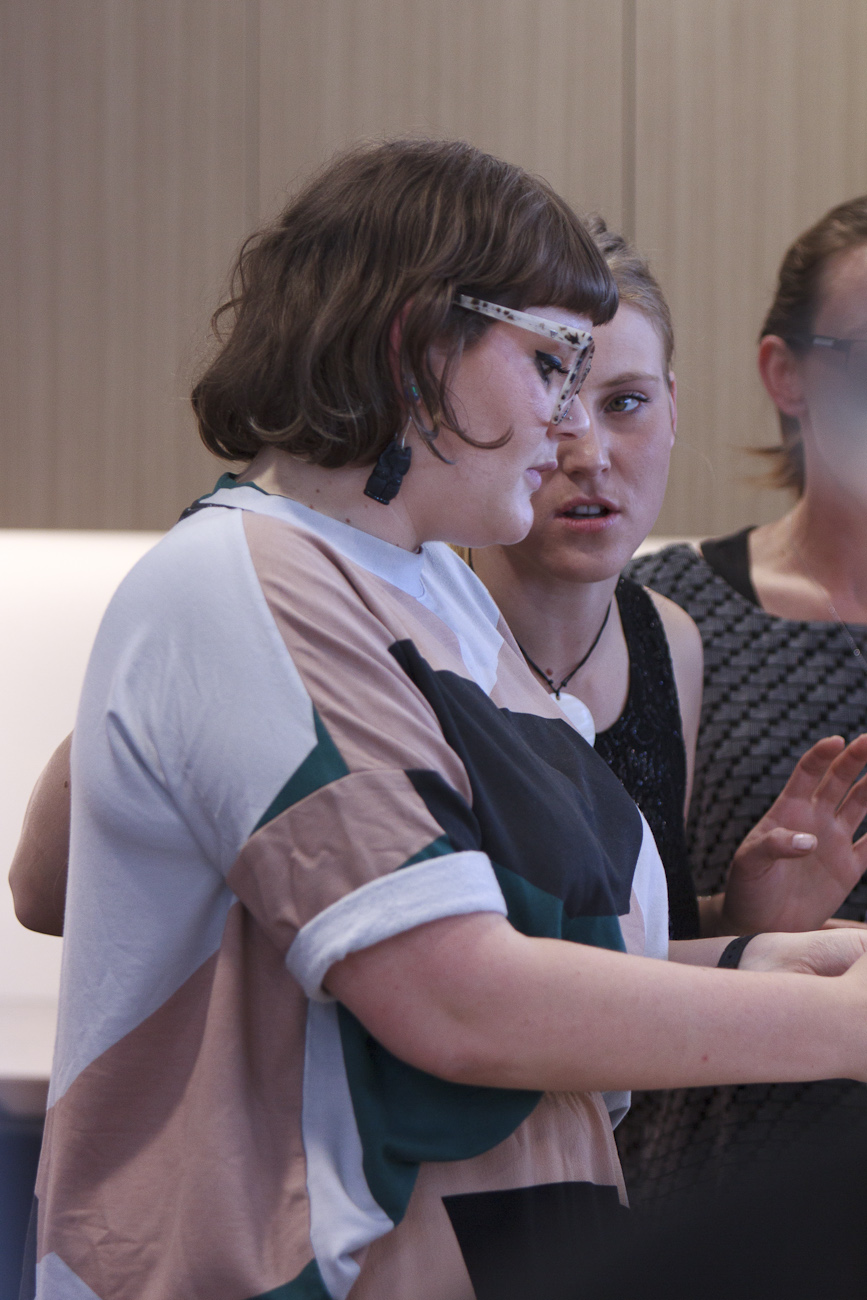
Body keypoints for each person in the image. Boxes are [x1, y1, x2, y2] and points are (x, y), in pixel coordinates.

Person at [16, 143, 867, 1300]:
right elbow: (456, 998)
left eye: (606, 385)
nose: (569, 422)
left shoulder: (434, 597)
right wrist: (838, 1024)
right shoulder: (249, 581)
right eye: (550, 362)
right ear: (418, 347)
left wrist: (775, 958)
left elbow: (548, 963)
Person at [464, 215, 867, 1200]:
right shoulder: (419, 635)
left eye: (625, 403)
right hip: (595, 1175)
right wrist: (774, 960)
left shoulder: (658, 640)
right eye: (555, 401)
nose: (586, 450)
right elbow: (475, 982)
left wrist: (749, 920)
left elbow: (638, 936)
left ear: (671, 407)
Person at [629, 196, 867, 1198]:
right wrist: (746, 918)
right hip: (726, 1186)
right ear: (786, 373)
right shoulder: (665, 613)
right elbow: (600, 938)